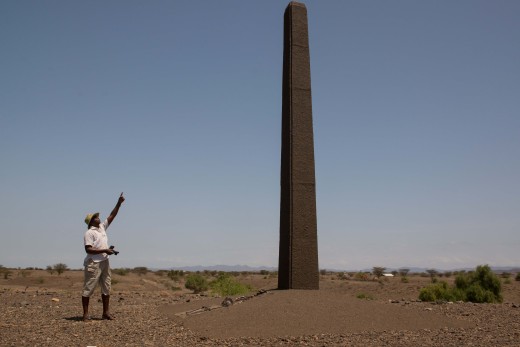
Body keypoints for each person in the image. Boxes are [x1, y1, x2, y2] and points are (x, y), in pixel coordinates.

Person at [82, 192, 125, 321]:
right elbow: (88, 249)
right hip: (93, 263)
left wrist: (119, 203)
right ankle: (85, 314)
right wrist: (104, 249)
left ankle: (105, 313)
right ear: (91, 221)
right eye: (95, 217)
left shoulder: (101, 228)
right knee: (88, 288)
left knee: (106, 287)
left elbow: (112, 215)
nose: (98, 218)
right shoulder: (89, 233)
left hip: (105, 262)